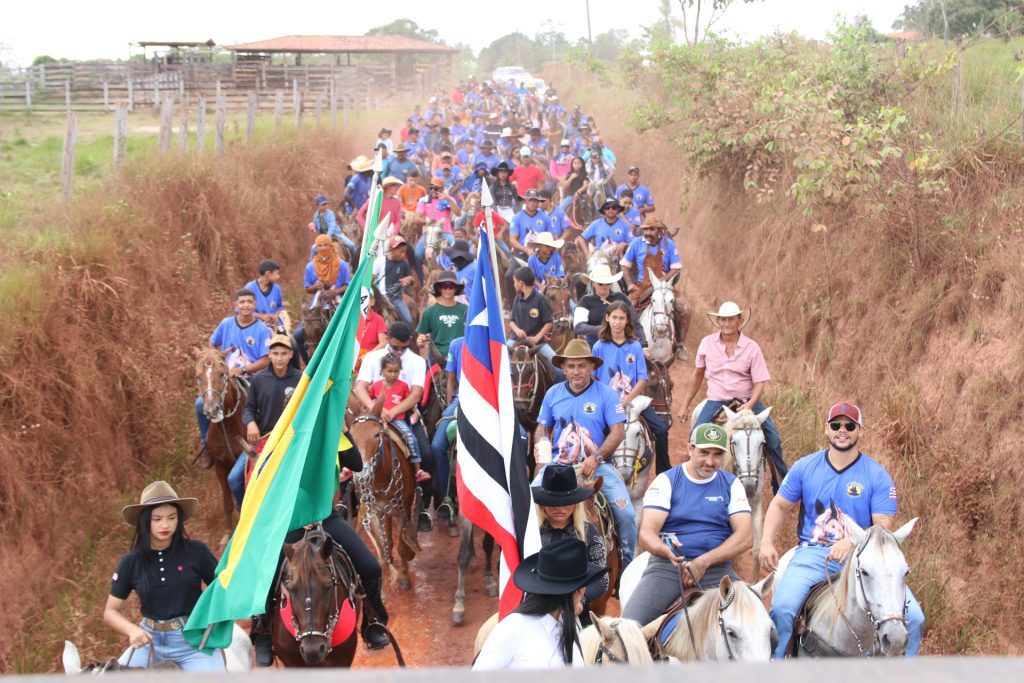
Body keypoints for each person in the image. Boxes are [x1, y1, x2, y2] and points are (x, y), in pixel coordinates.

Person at [760, 402, 925, 658]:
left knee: (914, 619)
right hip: (814, 554)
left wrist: (853, 543)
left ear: (860, 431)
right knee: (782, 609)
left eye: (850, 425)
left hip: (864, 557)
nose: (842, 430)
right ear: (826, 428)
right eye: (836, 424)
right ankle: (777, 664)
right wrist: (767, 541)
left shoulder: (876, 474)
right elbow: (780, 505)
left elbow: (883, 524)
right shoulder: (805, 466)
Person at [620, 423, 752, 626]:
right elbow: (647, 534)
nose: (710, 461)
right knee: (627, 628)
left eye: (717, 454)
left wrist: (704, 561)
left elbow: (745, 537)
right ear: (690, 449)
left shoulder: (732, 484)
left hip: (717, 570)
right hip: (668, 568)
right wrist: (665, 551)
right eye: (704, 452)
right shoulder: (666, 481)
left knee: (763, 630)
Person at [534, 339, 635, 564]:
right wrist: (542, 461)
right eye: (571, 366)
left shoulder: (607, 394)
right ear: (563, 368)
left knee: (627, 514)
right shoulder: (553, 393)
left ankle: (627, 565)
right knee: (526, 509)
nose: (576, 371)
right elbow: (542, 428)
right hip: (557, 466)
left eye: (582, 366)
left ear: (591, 367)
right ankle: (525, 560)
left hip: (598, 467)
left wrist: (596, 457)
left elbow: (618, 432)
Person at [104, 481, 224, 671]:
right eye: (157, 519)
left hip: (192, 641)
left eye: (171, 517)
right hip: (148, 641)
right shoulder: (131, 561)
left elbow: (222, 589)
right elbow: (110, 611)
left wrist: (209, 619)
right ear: (145, 521)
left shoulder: (196, 551)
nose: (165, 525)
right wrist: (132, 630)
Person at [677, 301, 787, 488]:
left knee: (773, 438)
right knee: (695, 437)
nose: (727, 323)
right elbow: (698, 374)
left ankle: (782, 486)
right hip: (716, 400)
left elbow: (760, 382)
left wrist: (750, 404)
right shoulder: (707, 343)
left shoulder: (752, 347)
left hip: (746, 400)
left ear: (740, 321)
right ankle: (689, 483)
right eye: (723, 319)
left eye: (731, 319)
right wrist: (685, 404)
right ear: (718, 322)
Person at [473, 537, 607, 670]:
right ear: (575, 591)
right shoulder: (512, 628)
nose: (584, 591)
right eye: (583, 585)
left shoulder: (571, 627)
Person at [353, 322, 435, 532]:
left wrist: (393, 411)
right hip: (373, 415)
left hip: (402, 415)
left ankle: (423, 506)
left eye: (403, 348)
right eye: (395, 347)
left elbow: (415, 394)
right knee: (352, 449)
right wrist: (376, 409)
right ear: (387, 339)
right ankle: (349, 499)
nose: (399, 352)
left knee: (427, 453)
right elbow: (360, 387)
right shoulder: (372, 358)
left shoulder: (416, 361)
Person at [591, 302, 670, 474]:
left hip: (633, 399)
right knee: (592, 431)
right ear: (607, 318)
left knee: (661, 430)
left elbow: (642, 379)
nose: (617, 322)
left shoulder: (635, 346)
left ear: (627, 321)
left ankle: (663, 472)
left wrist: (628, 399)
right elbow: (594, 378)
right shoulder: (599, 346)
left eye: (622, 318)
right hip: (606, 401)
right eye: (614, 317)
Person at [196, 289, 272, 466]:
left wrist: (243, 369)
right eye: (242, 302)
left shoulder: (262, 329)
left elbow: (266, 359)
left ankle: (265, 443)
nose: (246, 305)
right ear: (236, 305)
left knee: (262, 403)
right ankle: (206, 445)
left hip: (252, 376)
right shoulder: (226, 323)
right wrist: (217, 361)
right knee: (200, 404)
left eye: (249, 302)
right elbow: (213, 343)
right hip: (225, 375)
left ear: (255, 305)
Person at [532, 465, 608, 626]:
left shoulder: (589, 532)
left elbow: (602, 578)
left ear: (575, 503)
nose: (559, 508)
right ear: (542, 503)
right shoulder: (530, 533)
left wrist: (579, 601)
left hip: (577, 611)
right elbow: (508, 566)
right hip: (536, 610)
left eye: (566, 502)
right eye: (553, 502)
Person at [233, 334, 301, 505]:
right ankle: (248, 515)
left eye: (284, 353)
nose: (279, 358)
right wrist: (250, 423)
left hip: (291, 440)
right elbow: (249, 408)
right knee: (234, 479)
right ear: (269, 355)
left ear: (291, 355)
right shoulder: (258, 379)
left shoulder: (300, 379)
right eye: (275, 353)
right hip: (264, 440)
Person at [620, 215, 691, 361]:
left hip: (664, 286)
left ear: (659, 230)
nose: (647, 233)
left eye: (651, 229)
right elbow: (624, 265)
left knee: (685, 309)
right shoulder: (636, 243)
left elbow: (675, 268)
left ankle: (679, 345)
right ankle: (623, 344)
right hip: (642, 287)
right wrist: (630, 284)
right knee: (623, 311)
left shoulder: (669, 244)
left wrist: (663, 281)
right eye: (645, 229)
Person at [369, 353, 432, 482]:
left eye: (396, 371)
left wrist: (415, 412)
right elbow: (368, 401)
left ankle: (418, 469)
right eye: (389, 371)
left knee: (410, 437)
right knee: (363, 437)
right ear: (382, 371)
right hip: (378, 419)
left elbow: (410, 402)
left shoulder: (403, 386)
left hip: (397, 420)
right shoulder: (376, 386)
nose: (393, 374)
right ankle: (351, 468)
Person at [294, 235, 351, 364]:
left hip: (337, 302)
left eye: (325, 245)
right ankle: (308, 364)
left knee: (345, 332)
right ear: (316, 248)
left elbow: (347, 285)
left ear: (331, 246)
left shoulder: (341, 265)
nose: (323, 248)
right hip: (317, 305)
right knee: (297, 336)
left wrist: (335, 292)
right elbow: (307, 288)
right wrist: (315, 287)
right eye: (320, 246)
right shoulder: (310, 267)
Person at [573, 265, 647, 349]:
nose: (604, 286)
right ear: (593, 284)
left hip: (623, 346)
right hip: (594, 347)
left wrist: (644, 344)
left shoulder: (621, 297)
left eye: (607, 283)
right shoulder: (585, 301)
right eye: (600, 283)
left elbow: (636, 323)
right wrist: (604, 329)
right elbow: (578, 327)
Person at [430, 334, 464, 518]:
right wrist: (450, 405)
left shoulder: (495, 343)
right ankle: (446, 497)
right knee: (437, 446)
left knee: (521, 437)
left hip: (488, 402)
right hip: (460, 400)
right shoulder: (456, 344)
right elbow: (451, 379)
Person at [508, 267, 560, 380]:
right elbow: (511, 321)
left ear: (521, 283)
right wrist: (517, 330)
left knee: (559, 368)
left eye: (514, 282)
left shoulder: (540, 299)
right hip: (516, 341)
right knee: (499, 358)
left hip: (537, 343)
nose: (514, 285)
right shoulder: (517, 298)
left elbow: (549, 322)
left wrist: (536, 338)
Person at [416, 271, 468, 361]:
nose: (447, 290)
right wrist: (420, 340)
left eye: (451, 286)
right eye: (444, 286)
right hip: (437, 357)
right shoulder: (429, 312)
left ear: (456, 288)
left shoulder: (466, 310)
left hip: (461, 356)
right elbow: (421, 335)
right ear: (439, 288)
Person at [377, 235, 416, 327]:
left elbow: (412, 280)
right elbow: (371, 277)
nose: (403, 253)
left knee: (409, 320)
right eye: (400, 250)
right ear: (392, 250)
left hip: (396, 298)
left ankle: (409, 335)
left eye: (404, 251)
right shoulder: (380, 261)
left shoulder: (404, 264)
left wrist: (409, 280)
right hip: (380, 298)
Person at [509, 189, 555, 257]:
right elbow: (512, 240)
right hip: (522, 254)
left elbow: (553, 236)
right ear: (525, 201)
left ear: (538, 202)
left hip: (542, 255)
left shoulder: (546, 218)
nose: (533, 203)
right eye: (530, 200)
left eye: (535, 201)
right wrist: (526, 250)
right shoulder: (516, 218)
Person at [245, 259, 284, 331]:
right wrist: (261, 316)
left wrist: (276, 316)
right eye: (276, 274)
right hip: (255, 327)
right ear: (268, 273)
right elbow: (242, 312)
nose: (278, 277)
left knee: (289, 338)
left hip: (275, 326)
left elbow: (279, 307)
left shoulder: (277, 288)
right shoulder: (249, 288)